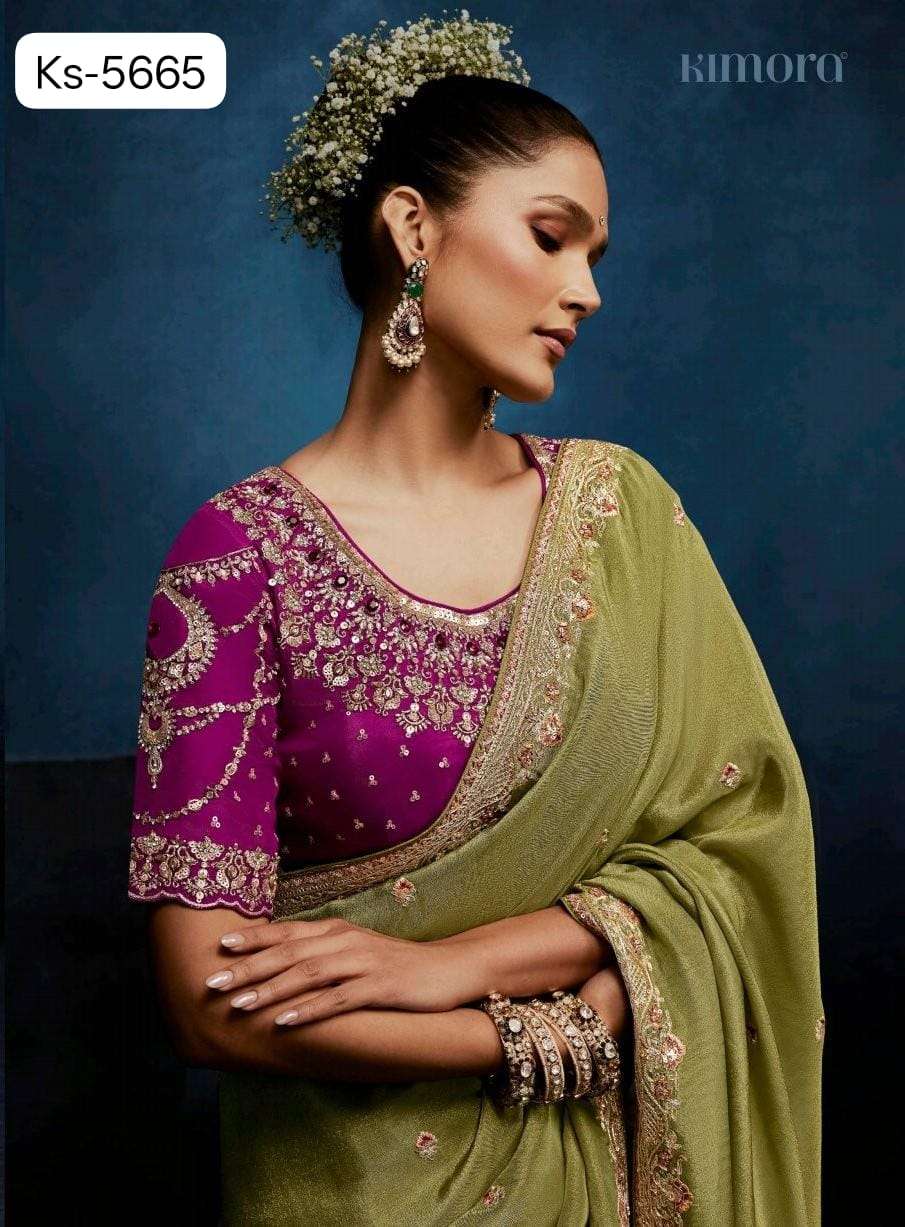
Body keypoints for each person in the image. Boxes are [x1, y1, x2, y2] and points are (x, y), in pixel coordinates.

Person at [126, 13, 824, 1226]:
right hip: (350, 1189)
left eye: (593, 254)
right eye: (550, 237)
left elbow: (733, 845)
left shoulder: (621, 516)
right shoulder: (236, 558)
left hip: (604, 1179)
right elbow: (206, 1002)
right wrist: (524, 1039)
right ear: (413, 228)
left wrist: (448, 966)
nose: (584, 291)